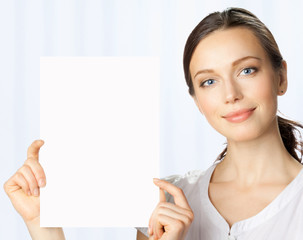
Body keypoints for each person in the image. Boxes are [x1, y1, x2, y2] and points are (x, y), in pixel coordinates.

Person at [4, 7, 303, 240]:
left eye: (247, 70)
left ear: (281, 77)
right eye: (209, 81)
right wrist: (42, 223)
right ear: (197, 100)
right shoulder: (167, 201)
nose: (230, 95)